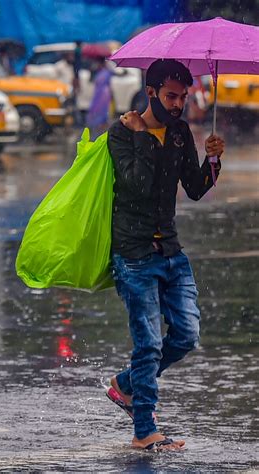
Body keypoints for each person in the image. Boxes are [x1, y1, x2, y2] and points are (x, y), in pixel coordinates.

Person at [106, 59, 225, 451]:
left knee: (187, 334)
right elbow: (137, 184)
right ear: (151, 91)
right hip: (134, 254)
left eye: (183, 97)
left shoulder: (179, 132)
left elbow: (193, 188)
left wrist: (212, 160)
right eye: (171, 96)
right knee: (148, 344)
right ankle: (144, 432)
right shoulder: (121, 133)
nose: (178, 105)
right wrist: (141, 135)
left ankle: (126, 385)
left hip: (170, 250)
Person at [86, 57, 112, 138]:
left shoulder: (107, 72)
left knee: (102, 112)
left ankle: (101, 131)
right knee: (96, 112)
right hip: (98, 94)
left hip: (104, 95)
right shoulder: (98, 72)